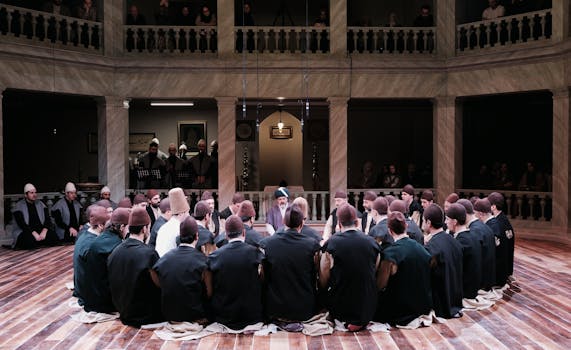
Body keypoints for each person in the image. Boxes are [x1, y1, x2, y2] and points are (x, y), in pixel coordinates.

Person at [320, 204, 380, 331]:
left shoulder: (331, 244)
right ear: (357, 222)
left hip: (341, 308)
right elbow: (375, 270)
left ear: (339, 224)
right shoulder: (372, 243)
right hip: (367, 307)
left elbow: (324, 275)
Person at [261, 205, 321, 325]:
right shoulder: (311, 245)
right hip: (304, 309)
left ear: (283, 223)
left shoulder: (268, 244)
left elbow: (264, 276)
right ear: (301, 224)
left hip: (276, 309)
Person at [107, 207, 163, 327]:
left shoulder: (115, 251)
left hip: (123, 313)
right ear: (144, 228)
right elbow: (160, 283)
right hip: (146, 316)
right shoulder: (149, 254)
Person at [205, 216, 264, 329]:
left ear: (226, 235)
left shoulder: (215, 256)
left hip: (225, 316)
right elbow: (263, 277)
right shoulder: (254, 253)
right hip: (251, 316)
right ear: (244, 233)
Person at [375, 211, 432, 326]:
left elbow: (380, 285)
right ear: (406, 226)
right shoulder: (422, 249)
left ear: (390, 231)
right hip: (422, 305)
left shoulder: (389, 254)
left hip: (400, 310)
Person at [151, 216, 208, 323]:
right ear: (197, 236)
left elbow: (154, 272)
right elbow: (209, 292)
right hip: (196, 316)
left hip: (170, 316)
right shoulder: (202, 260)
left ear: (179, 237)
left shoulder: (164, 259)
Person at [82, 208, 129, 313]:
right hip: (104, 302)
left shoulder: (103, 237)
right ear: (122, 227)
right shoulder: (116, 245)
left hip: (91, 298)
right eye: (128, 227)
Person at [422, 204, 463, 319]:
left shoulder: (431, 247)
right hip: (455, 299)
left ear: (429, 223)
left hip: (441, 304)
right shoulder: (455, 241)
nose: (423, 224)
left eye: (423, 221)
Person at [73, 205, 108, 307]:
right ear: (101, 226)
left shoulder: (84, 235)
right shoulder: (93, 244)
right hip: (89, 295)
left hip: (82, 290)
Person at [446, 203, 482, 300]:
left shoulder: (459, 242)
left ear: (454, 221)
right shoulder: (472, 235)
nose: (445, 222)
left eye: (447, 219)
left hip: (465, 290)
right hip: (474, 286)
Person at [11, 183, 58, 249]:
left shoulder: (41, 204)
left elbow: (47, 219)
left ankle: (39, 240)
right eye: (32, 193)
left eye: (35, 192)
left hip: (40, 230)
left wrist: (44, 231)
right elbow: (22, 224)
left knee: (54, 237)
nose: (34, 195)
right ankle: (39, 242)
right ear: (25, 195)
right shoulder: (19, 206)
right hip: (26, 231)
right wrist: (34, 233)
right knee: (29, 240)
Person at [155, 187, 190, 257]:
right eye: (187, 212)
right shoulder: (179, 229)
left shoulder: (163, 227)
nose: (188, 215)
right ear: (181, 213)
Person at [489, 192, 515, 284]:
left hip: (500, 272)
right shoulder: (505, 220)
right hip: (507, 269)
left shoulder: (497, 224)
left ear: (493, 207)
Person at [472, 198, 497, 291]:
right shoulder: (491, 225)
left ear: (481, 214)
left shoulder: (489, 227)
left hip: (487, 277)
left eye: (475, 213)